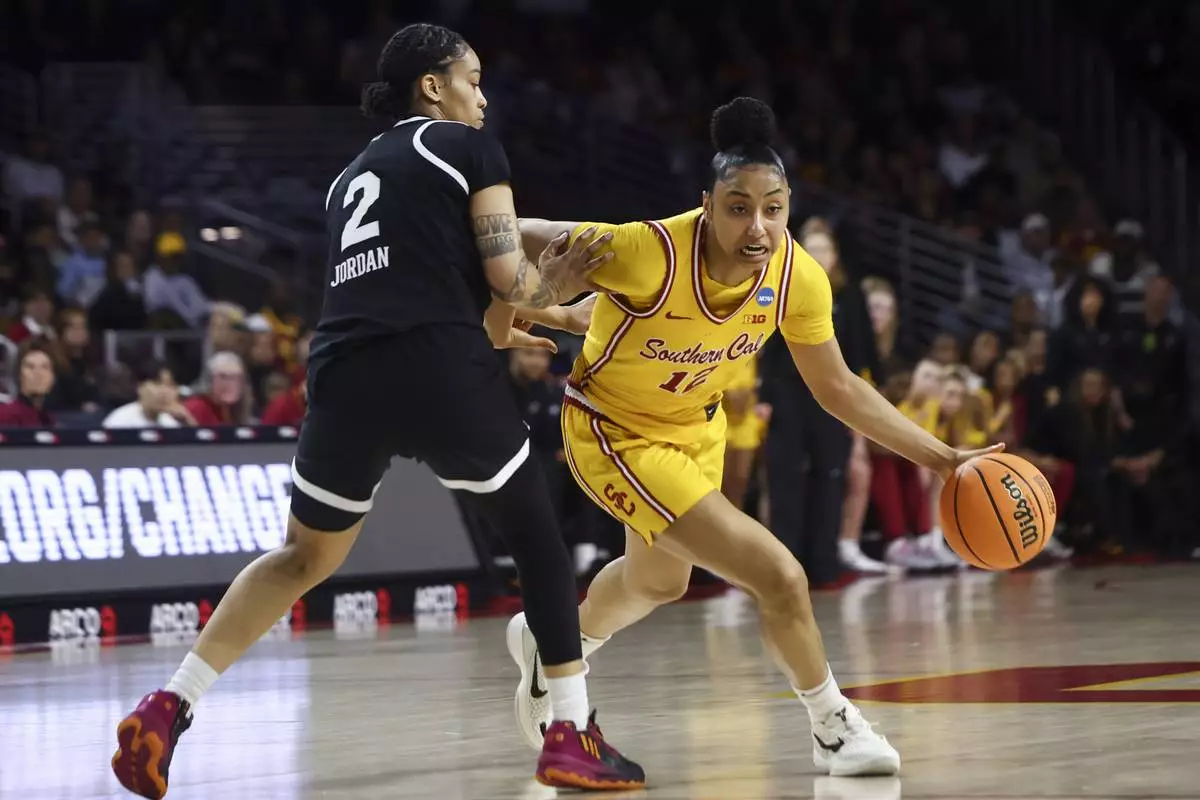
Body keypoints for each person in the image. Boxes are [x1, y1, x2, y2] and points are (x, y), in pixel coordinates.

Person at [111, 23, 642, 800]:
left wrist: (542, 317)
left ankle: (169, 704)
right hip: (434, 364)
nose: (483, 97)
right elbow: (507, 276)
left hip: (343, 374)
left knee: (301, 559)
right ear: (433, 85)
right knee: (536, 540)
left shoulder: (348, 179)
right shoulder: (467, 148)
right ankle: (570, 731)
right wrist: (557, 287)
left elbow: (454, 297)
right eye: (473, 79)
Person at [501, 97, 998, 777]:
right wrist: (533, 298)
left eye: (773, 208)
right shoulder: (645, 250)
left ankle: (554, 637)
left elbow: (839, 387)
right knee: (780, 576)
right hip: (614, 430)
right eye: (738, 207)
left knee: (658, 582)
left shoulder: (797, 276)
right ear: (707, 205)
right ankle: (833, 727)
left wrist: (943, 459)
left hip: (697, 429)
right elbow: (511, 232)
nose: (757, 225)